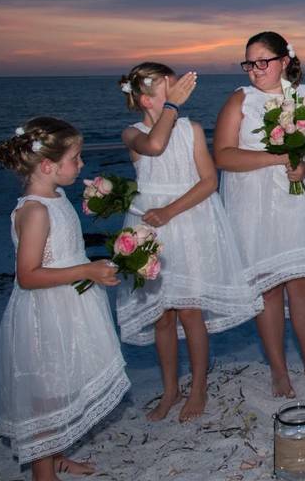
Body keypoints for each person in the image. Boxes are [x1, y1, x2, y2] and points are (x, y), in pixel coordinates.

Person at [116, 63, 264, 422]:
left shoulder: (191, 129)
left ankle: (198, 387)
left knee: (190, 311)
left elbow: (209, 180)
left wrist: (171, 210)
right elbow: (154, 145)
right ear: (144, 97)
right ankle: (170, 390)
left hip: (189, 221)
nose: (177, 88)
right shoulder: (131, 133)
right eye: (168, 85)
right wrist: (171, 108)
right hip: (150, 227)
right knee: (161, 317)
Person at [214, 32, 305, 397]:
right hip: (255, 205)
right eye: (249, 63)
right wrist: (275, 158)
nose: (255, 70)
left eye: (263, 61)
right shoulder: (239, 101)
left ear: (284, 61)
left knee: (303, 286)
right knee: (268, 288)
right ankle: (278, 370)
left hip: (303, 199)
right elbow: (223, 155)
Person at [0, 117, 130, 480]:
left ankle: (55, 456)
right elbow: (28, 275)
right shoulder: (35, 211)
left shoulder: (57, 196)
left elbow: (65, 251)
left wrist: (92, 266)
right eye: (76, 157)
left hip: (68, 304)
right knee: (46, 394)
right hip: (45, 312)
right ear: (48, 165)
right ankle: (43, 470)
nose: (81, 164)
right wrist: (86, 271)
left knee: (64, 382)